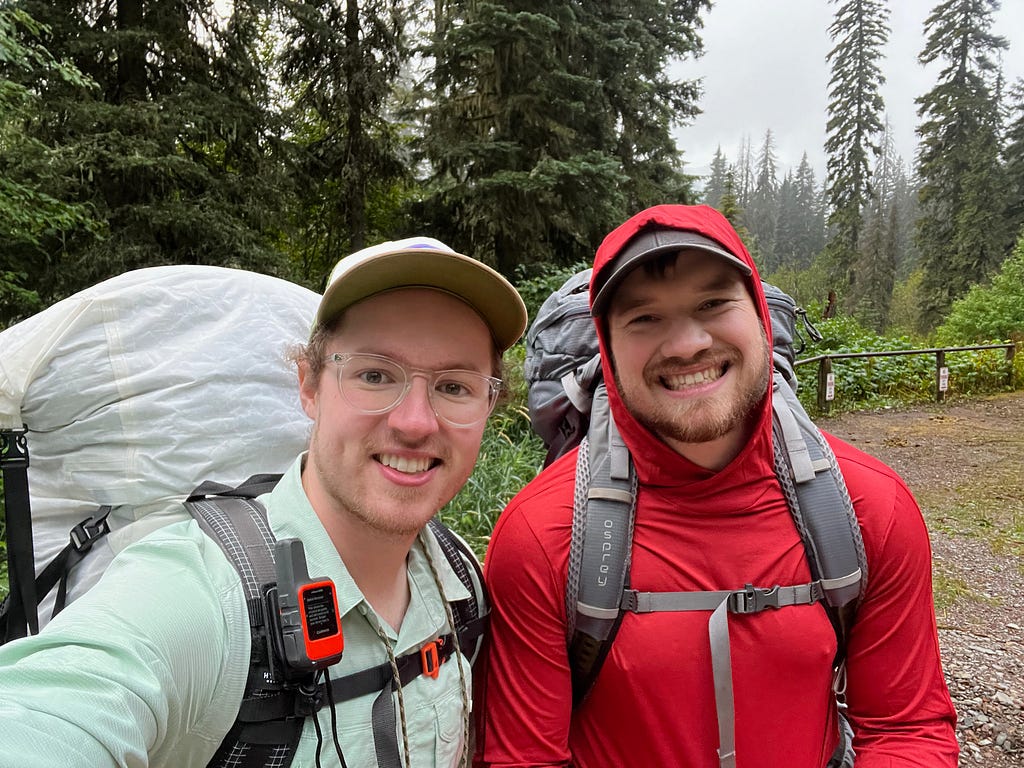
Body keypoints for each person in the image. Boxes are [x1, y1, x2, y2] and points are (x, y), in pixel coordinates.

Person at [0, 237, 528, 768]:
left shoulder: (459, 580)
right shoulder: (203, 595)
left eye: (455, 386)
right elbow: (50, 714)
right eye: (374, 374)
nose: (415, 422)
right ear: (309, 386)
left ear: (488, 406)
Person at [475, 205, 958, 767]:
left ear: (760, 315)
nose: (685, 344)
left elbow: (906, 730)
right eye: (644, 318)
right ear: (606, 351)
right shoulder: (541, 534)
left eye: (713, 303)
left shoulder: (868, 507)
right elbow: (524, 758)